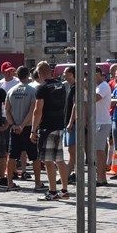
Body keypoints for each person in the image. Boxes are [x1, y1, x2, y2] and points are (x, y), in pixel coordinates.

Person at [30, 61, 70, 201]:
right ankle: (64, 190)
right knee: (59, 159)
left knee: (48, 160)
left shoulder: (42, 88)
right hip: (59, 125)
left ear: (39, 73)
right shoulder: (61, 85)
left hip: (47, 127)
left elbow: (37, 110)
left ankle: (52, 191)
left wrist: (33, 130)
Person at [92, 67, 112, 185]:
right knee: (98, 151)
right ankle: (102, 177)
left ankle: (100, 178)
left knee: (99, 151)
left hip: (103, 122)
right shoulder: (96, 86)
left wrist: (85, 87)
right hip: (97, 122)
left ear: (99, 74)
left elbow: (95, 98)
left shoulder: (103, 86)